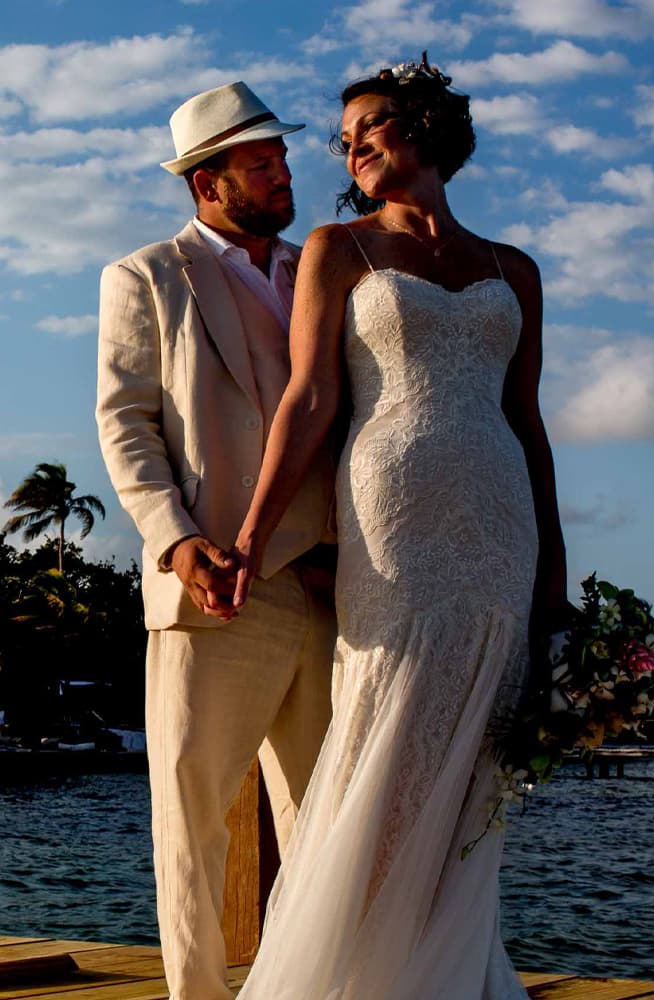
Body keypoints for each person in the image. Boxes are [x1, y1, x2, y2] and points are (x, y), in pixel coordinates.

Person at [231, 55, 567, 998]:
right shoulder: (342, 250)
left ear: (423, 126)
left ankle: (446, 970)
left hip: (500, 524)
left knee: (474, 764)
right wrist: (254, 537)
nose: (353, 147)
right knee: (388, 742)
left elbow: (527, 418)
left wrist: (554, 566)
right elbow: (307, 399)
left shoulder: (515, 270)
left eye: (368, 125)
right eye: (343, 141)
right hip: (393, 521)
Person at [95, 81, 337, 1000]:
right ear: (206, 183)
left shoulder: (323, 272)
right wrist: (176, 541)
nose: (281, 173)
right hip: (212, 587)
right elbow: (126, 427)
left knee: (324, 818)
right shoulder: (146, 276)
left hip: (326, 581)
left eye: (280, 158)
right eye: (260, 162)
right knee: (191, 822)